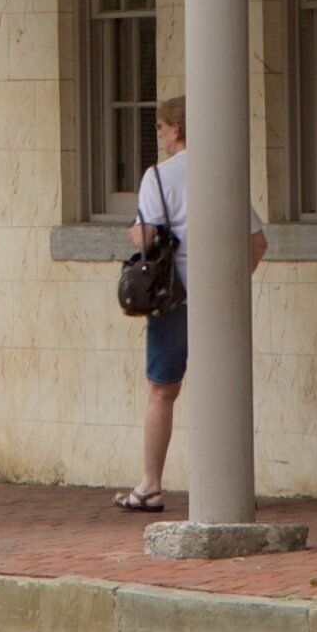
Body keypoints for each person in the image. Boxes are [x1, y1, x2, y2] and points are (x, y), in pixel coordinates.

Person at [119, 98, 263, 514]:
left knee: (161, 390)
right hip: (218, 296)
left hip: (173, 297)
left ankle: (150, 485)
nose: (161, 137)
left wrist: (134, 234)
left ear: (177, 128)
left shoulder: (159, 178)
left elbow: (147, 240)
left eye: (162, 129)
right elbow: (257, 242)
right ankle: (232, 486)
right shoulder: (221, 171)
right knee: (223, 391)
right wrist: (231, 285)